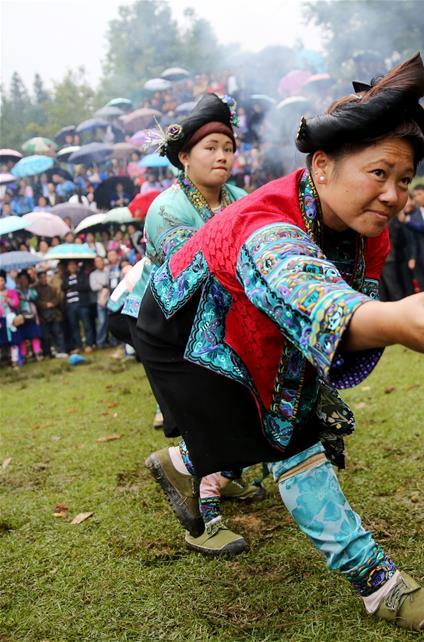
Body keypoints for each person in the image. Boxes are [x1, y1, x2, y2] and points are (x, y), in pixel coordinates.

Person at [132, 54, 424, 632]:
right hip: (183, 330)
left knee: (272, 426)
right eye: (379, 173)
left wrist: (377, 314)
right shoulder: (267, 225)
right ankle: (377, 583)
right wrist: (394, 320)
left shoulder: (363, 230)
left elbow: (336, 301)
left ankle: (185, 463)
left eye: (405, 180)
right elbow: (318, 301)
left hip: (248, 320)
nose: (394, 195)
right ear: (322, 166)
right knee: (291, 438)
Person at [106, 93, 260, 556]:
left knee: (242, 400)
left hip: (216, 317)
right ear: (184, 156)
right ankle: (203, 524)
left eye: (227, 147)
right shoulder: (166, 209)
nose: (221, 156)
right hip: (162, 324)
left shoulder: (239, 198)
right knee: (204, 414)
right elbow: (201, 274)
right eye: (210, 147)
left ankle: (224, 477)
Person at [61, 260, 94, 353]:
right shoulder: (65, 277)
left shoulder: (82, 275)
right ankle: (78, 346)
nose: (72, 267)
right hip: (70, 305)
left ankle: (89, 344)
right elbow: (63, 287)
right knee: (74, 326)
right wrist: (73, 286)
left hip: (82, 304)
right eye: (70, 265)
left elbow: (86, 286)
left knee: (87, 324)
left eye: (73, 265)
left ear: (76, 266)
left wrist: (73, 287)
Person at [35, 269, 65, 358]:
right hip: (42, 315)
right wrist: (45, 305)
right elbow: (36, 301)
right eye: (41, 278)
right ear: (38, 279)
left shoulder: (53, 288)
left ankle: (61, 350)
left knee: (58, 332)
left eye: (45, 277)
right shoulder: (35, 289)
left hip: (54, 313)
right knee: (46, 336)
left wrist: (52, 304)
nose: (44, 279)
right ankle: (47, 353)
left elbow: (57, 298)